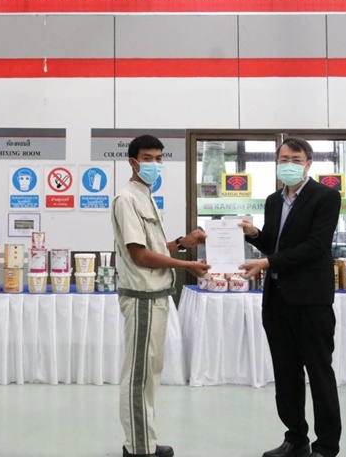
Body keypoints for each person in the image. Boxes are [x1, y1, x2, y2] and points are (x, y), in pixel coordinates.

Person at [239, 137, 342, 457]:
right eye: (283, 159)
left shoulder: (326, 197)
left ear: (309, 163)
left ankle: (326, 446)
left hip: (311, 300)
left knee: (319, 373)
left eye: (296, 160)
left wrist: (268, 262)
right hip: (277, 300)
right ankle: (296, 439)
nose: (289, 165)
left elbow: (316, 246)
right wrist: (254, 235)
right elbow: (274, 243)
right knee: (285, 375)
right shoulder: (273, 200)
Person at [112, 134, 209, 457]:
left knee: (151, 372)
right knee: (139, 375)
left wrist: (182, 243)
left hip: (156, 296)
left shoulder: (146, 196)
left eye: (158, 158)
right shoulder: (126, 199)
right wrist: (187, 264)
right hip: (142, 297)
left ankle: (145, 440)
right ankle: (138, 447)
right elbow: (139, 255)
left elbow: (152, 247)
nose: (154, 164)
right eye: (147, 158)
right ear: (133, 162)